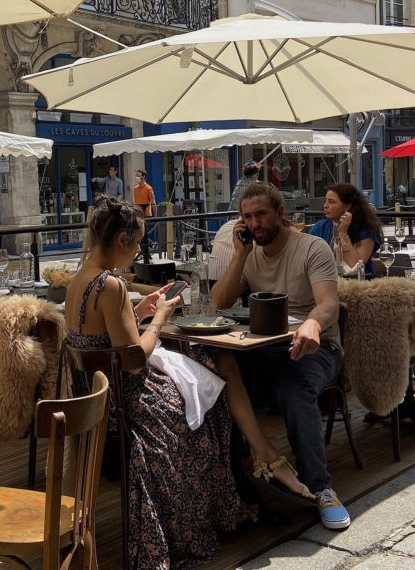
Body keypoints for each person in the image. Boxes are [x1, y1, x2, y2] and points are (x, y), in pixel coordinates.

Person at [65, 197, 312, 570]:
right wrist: (160, 317)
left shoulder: (80, 279)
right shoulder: (111, 285)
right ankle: (220, 508)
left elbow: (101, 335)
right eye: (136, 245)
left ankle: (244, 485)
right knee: (212, 399)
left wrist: (138, 311)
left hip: (97, 394)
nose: (136, 253)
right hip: (128, 397)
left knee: (211, 377)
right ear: (121, 239)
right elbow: (134, 359)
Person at [211, 182, 351, 530]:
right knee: (211, 378)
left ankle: (320, 488)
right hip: (265, 347)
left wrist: (312, 325)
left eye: (261, 214)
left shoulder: (312, 248)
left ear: (280, 214)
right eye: (247, 217)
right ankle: (238, 479)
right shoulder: (251, 253)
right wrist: (240, 254)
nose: (255, 223)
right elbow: (219, 301)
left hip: (317, 346)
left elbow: (329, 304)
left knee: (293, 390)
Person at [308, 183, 383, 276]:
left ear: (347, 206)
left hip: (359, 284)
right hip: (325, 280)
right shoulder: (319, 227)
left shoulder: (366, 230)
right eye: (325, 201)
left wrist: (343, 233)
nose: (325, 206)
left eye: (331, 202)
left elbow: (355, 267)